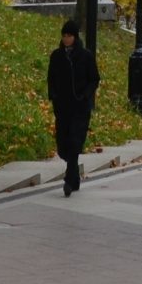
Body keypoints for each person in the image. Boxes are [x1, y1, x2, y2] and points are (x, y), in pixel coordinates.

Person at [46, 18, 100, 196]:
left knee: (75, 141)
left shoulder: (85, 56)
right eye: (64, 36)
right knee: (63, 146)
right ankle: (74, 175)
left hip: (80, 106)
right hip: (62, 106)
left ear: (75, 37)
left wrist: (85, 95)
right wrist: (53, 95)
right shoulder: (56, 56)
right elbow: (51, 78)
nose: (66, 39)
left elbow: (94, 78)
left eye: (69, 36)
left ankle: (69, 181)